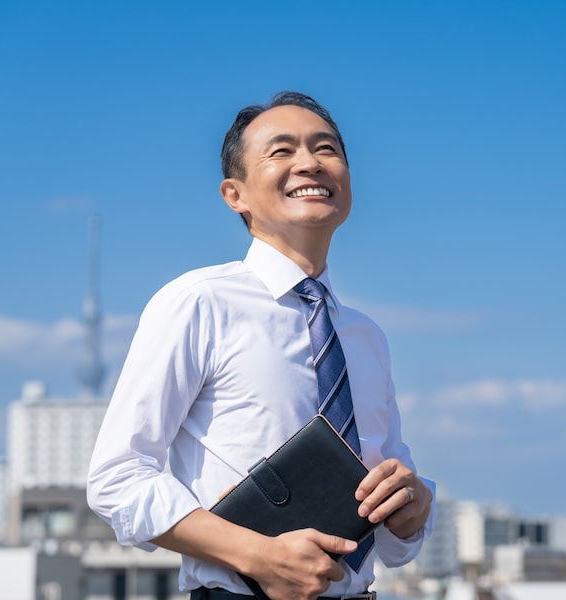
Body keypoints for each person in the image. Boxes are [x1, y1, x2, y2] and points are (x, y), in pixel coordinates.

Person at [87, 91, 435, 600]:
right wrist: (259, 556)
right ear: (236, 194)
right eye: (282, 151)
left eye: (327, 149)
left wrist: (414, 507)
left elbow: (395, 537)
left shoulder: (365, 337)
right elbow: (117, 478)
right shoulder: (199, 302)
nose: (310, 163)